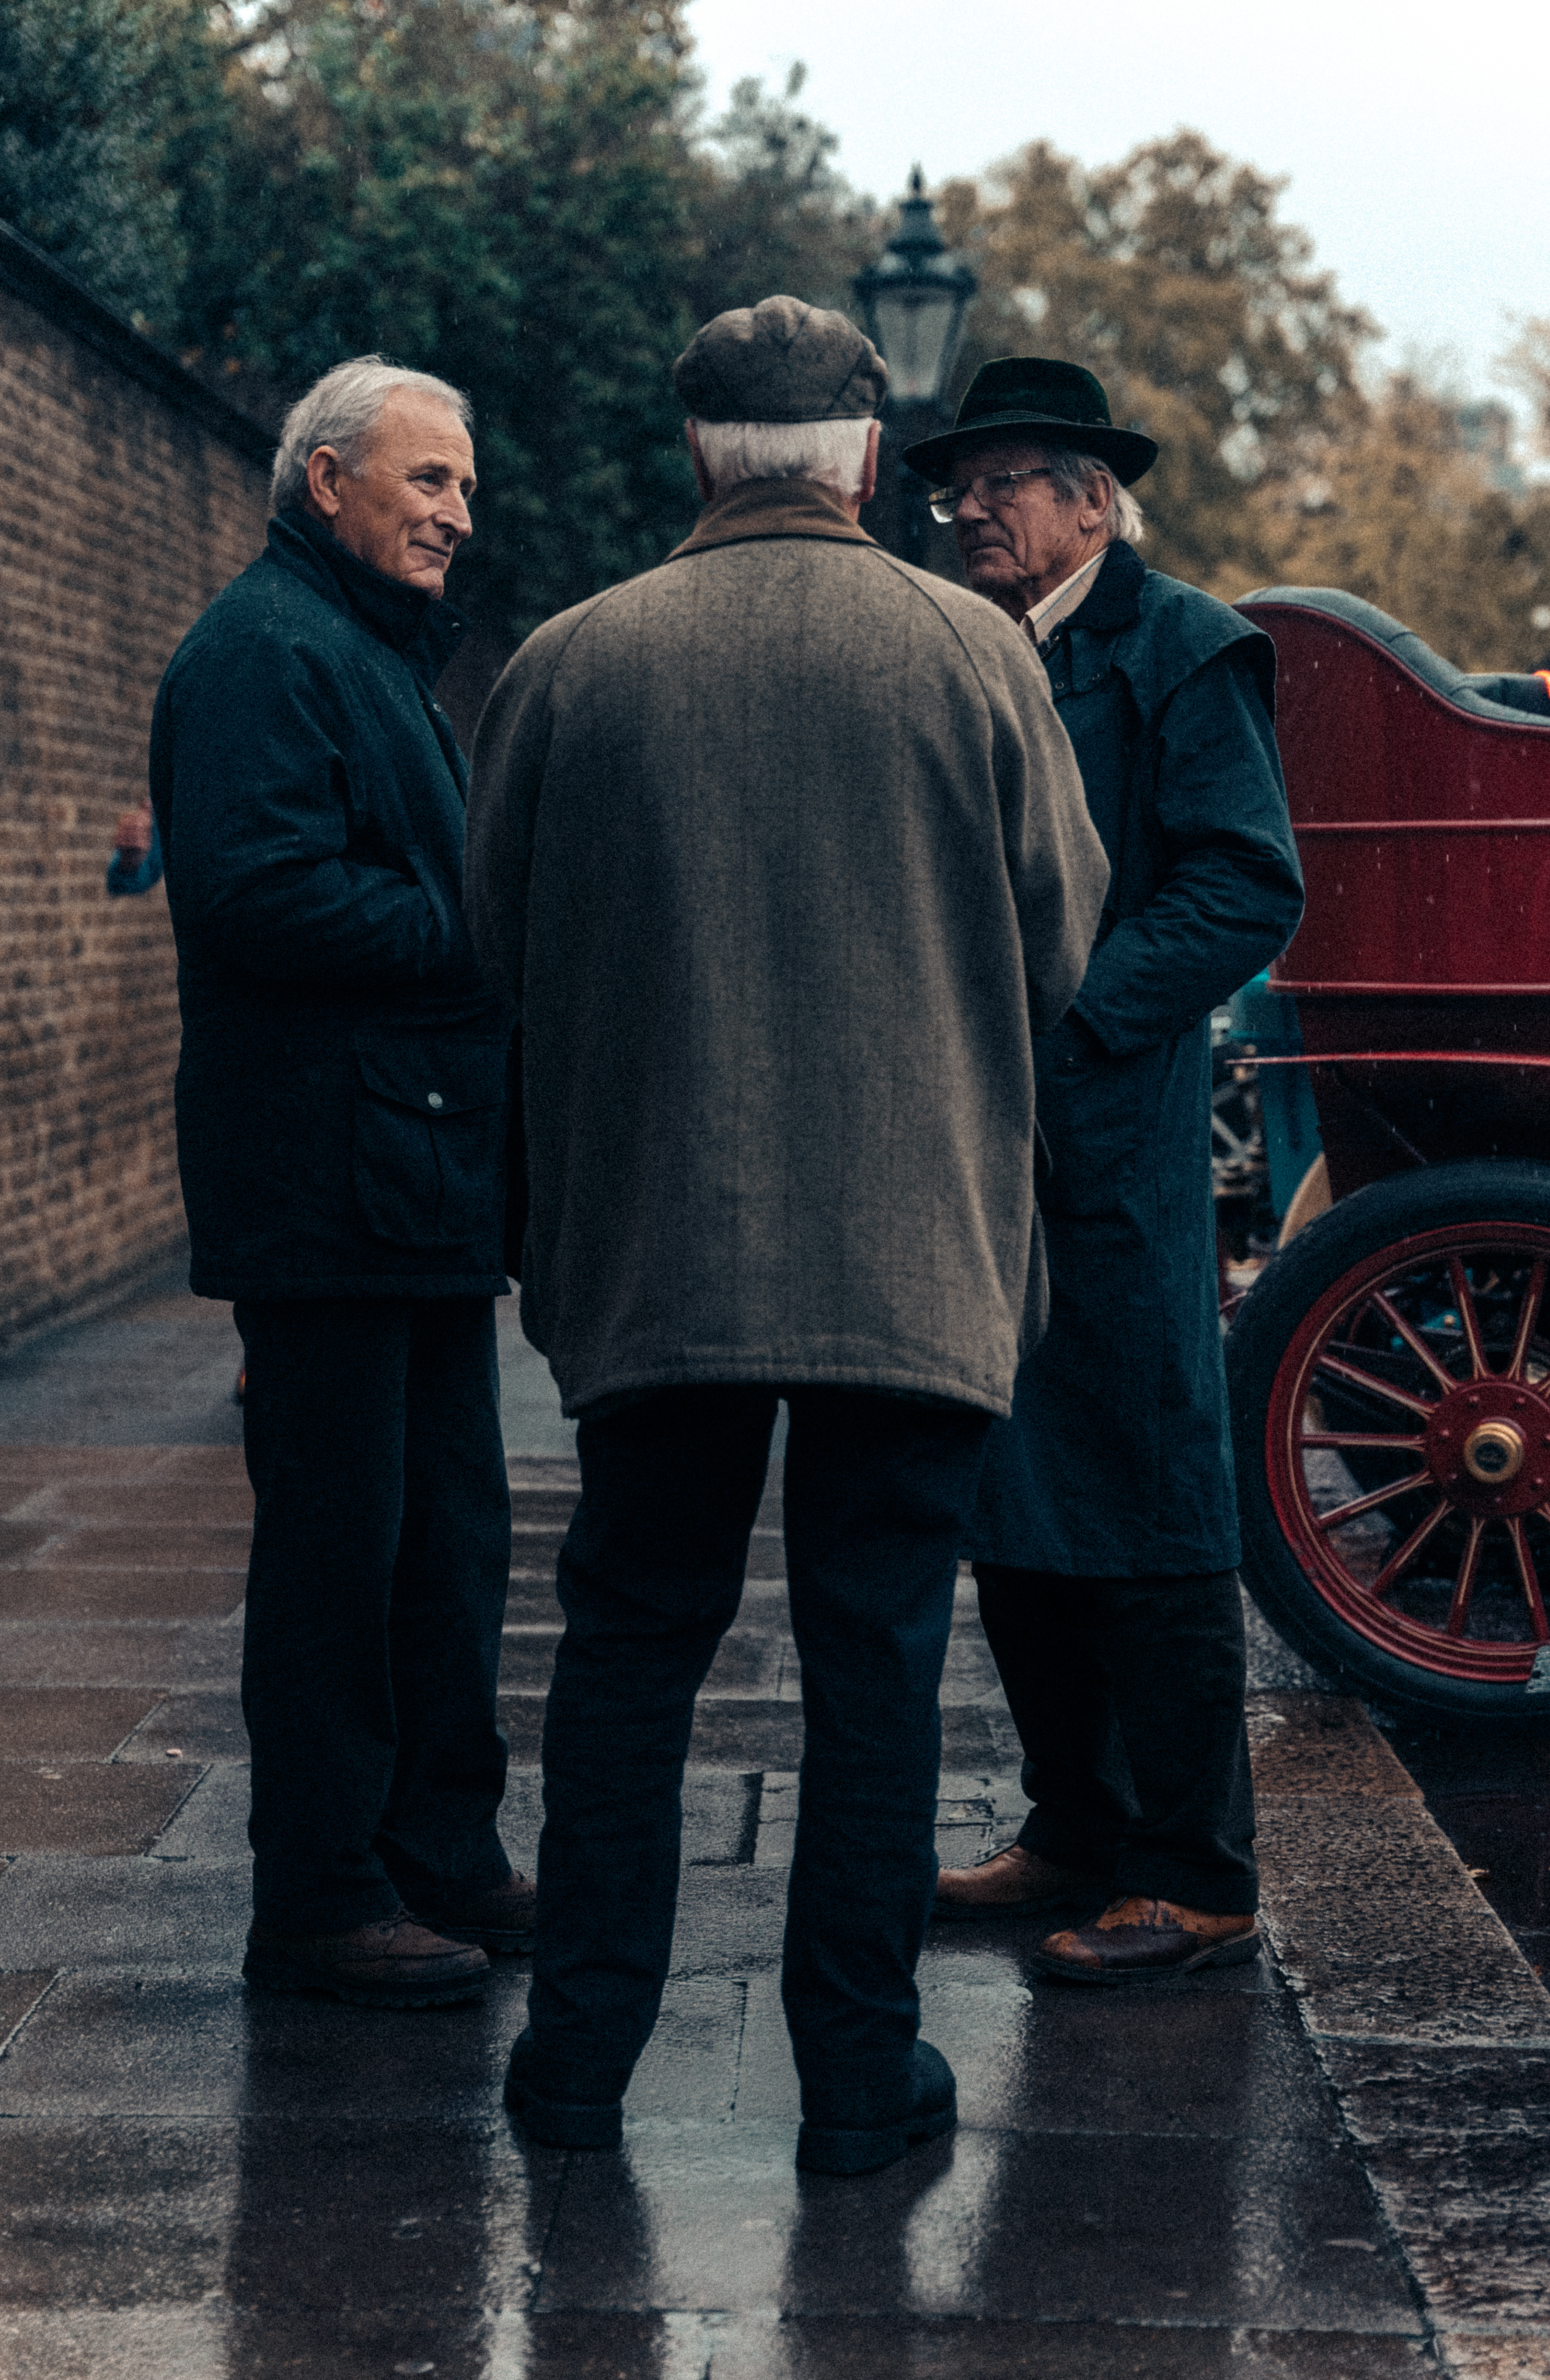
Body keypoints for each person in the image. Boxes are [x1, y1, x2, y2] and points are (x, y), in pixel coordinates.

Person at [465, 297, 1109, 2174]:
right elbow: (1062, 943)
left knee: (628, 1649)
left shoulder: (572, 663)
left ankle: (575, 2064)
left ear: (696, 457)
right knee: (881, 1656)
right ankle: (857, 2076)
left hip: (657, 1243)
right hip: (913, 1248)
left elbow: (497, 947)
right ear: (861, 460)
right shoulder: (976, 654)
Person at [910, 359, 1305, 1986]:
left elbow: (1242, 885)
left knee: (1150, 1503)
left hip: (1113, 1143)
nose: (979, 510)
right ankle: (1074, 1825)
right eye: (964, 485)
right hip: (980, 1137)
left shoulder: (1181, 648)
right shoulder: (969, 648)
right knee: (1015, 1497)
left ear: (1094, 499)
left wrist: (1080, 1023)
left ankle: (1197, 1874)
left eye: (1011, 480)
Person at [149, 353, 530, 2010]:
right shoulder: (263, 654)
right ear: (327, 483)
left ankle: (441, 1857)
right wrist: (489, 940)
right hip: (325, 1184)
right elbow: (259, 901)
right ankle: (319, 1892)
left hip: (414, 1176)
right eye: (427, 481)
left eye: (462, 487)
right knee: (337, 1555)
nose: (458, 514)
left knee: (446, 1538)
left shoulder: (364, 651)